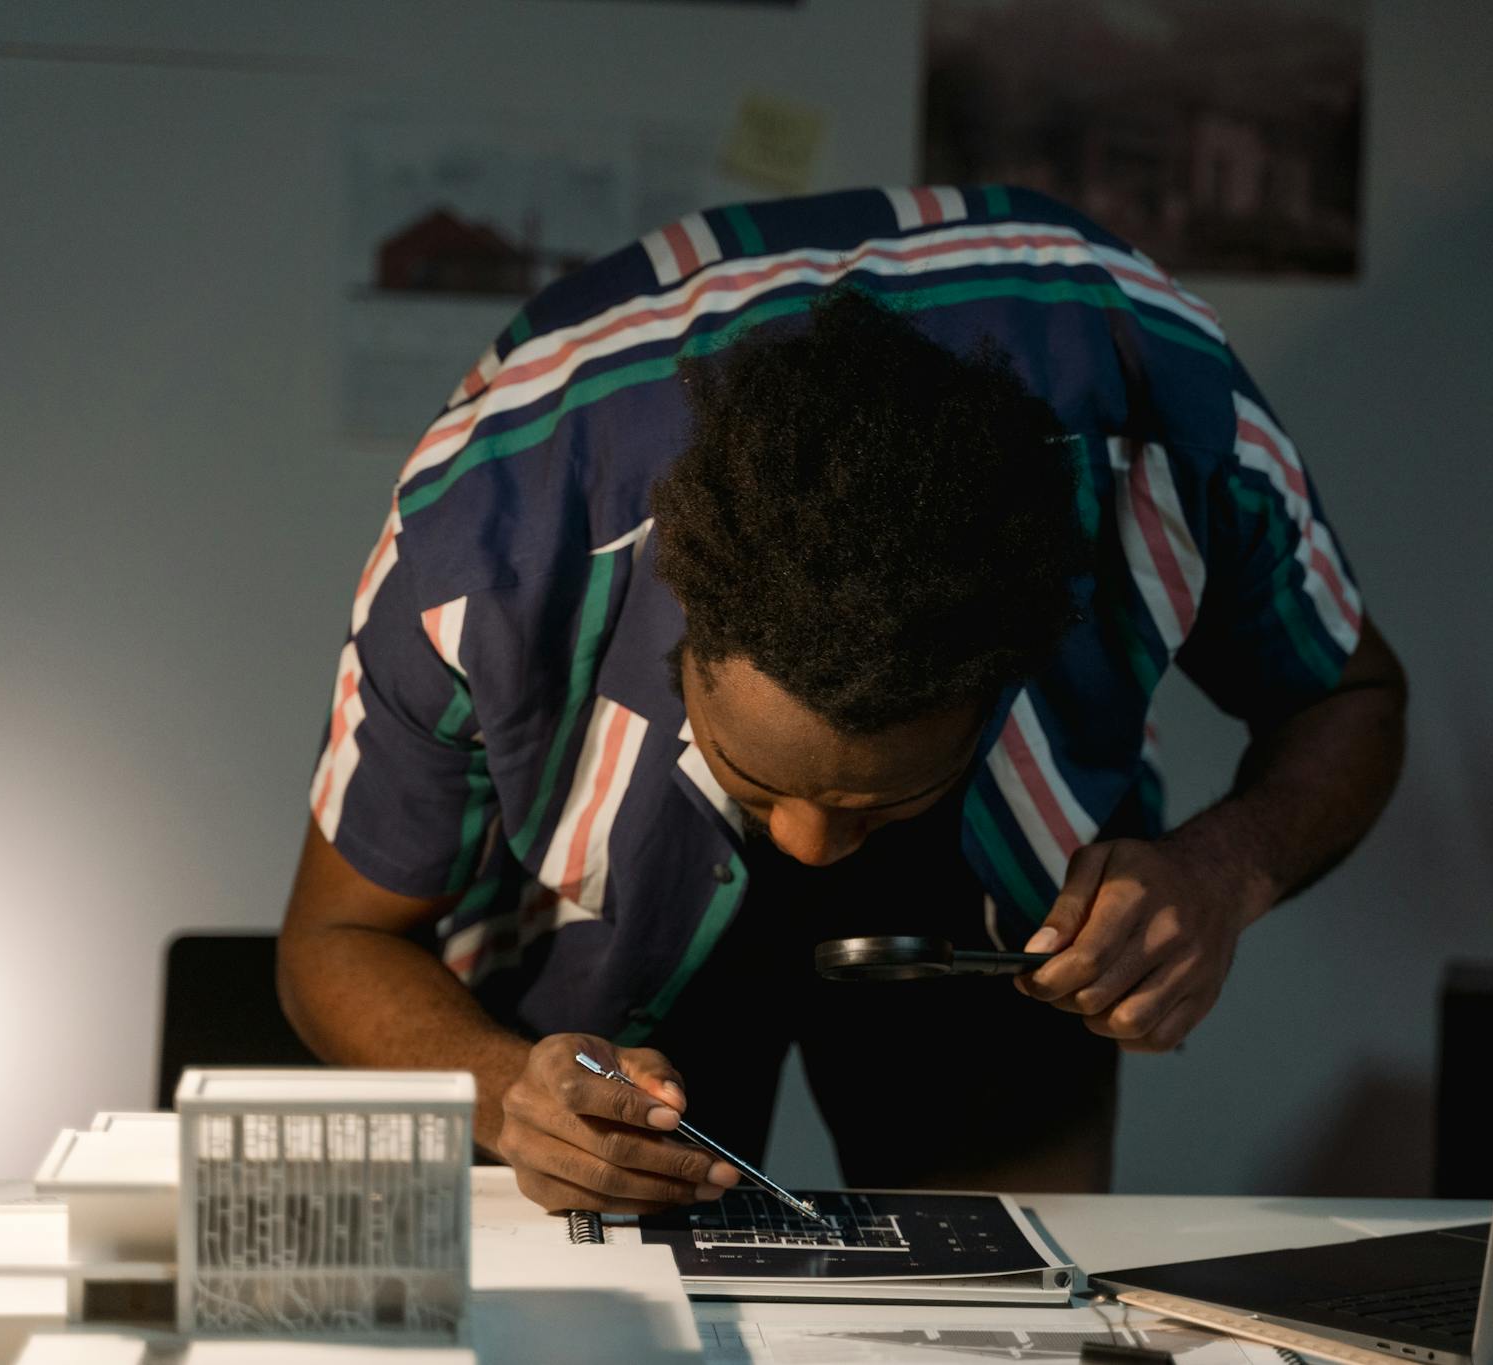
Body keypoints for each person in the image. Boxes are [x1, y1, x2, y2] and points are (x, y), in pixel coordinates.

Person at [277, 185, 1406, 1215]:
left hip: (993, 886)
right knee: (610, 1276)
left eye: (881, 802)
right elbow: (333, 938)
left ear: (1018, 659)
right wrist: (502, 1090)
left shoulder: (1166, 424)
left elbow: (1352, 698)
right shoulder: (483, 551)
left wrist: (1220, 872)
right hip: (607, 928)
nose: (811, 848)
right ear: (681, 616)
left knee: (1007, 1292)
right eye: (755, 777)